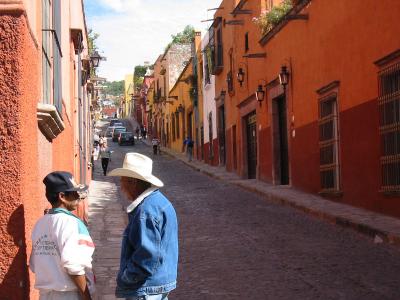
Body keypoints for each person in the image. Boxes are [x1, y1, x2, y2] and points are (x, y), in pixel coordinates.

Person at [108, 153, 178, 299]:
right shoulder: (160, 201)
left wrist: (126, 277)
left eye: (123, 181)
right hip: (159, 283)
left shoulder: (145, 211)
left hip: (146, 289)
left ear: (133, 182)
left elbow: (147, 258)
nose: (121, 186)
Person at [30, 171, 95, 300]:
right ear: (62, 196)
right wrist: (87, 296)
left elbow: (33, 264)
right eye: (74, 193)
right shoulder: (72, 223)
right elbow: (74, 265)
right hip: (69, 294)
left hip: (45, 295)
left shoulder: (40, 223)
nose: (78, 197)